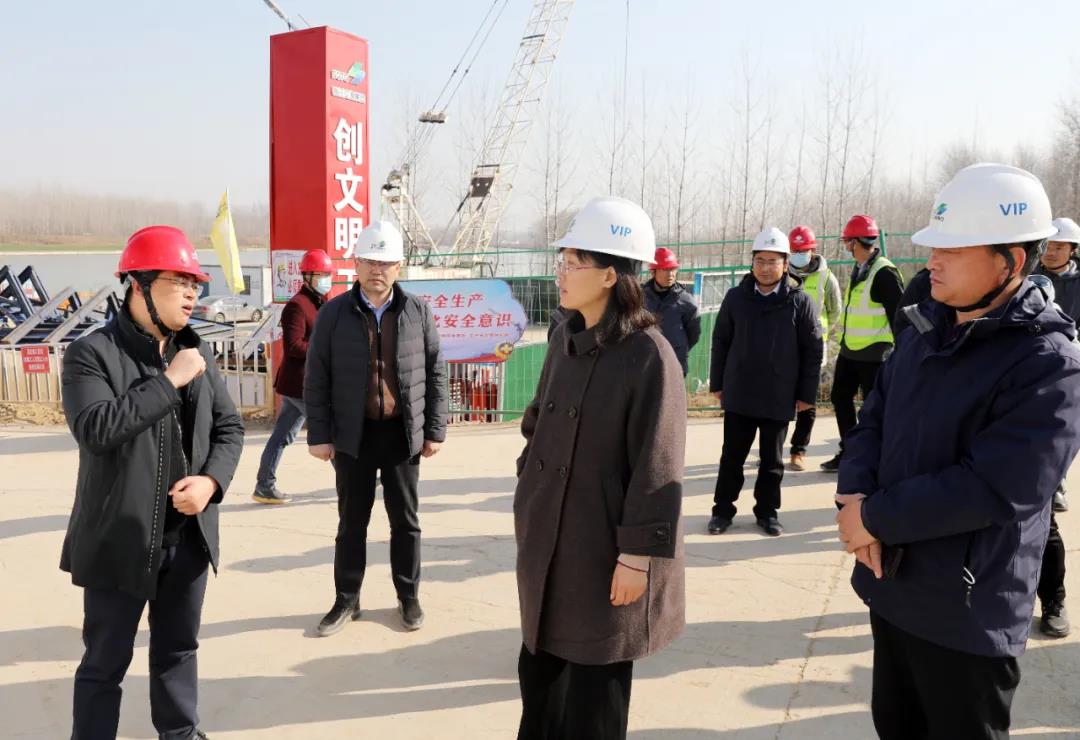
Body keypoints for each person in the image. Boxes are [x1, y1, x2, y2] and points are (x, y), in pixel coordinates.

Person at [835, 164, 1080, 739]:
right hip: (891, 586)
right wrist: (853, 495)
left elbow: (996, 486)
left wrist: (873, 518)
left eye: (952, 249)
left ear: (1009, 262)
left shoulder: (1049, 364)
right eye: (934, 248)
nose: (933, 262)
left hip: (967, 611)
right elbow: (873, 421)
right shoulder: (924, 330)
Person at [61, 225, 244, 739]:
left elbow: (229, 428)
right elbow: (96, 429)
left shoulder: (195, 351)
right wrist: (169, 381)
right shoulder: (91, 354)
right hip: (121, 537)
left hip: (187, 538)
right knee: (104, 663)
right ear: (138, 285)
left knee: (178, 650)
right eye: (178, 281)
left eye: (195, 284)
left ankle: (180, 734)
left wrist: (211, 482)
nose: (191, 293)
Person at [514, 196, 686, 740]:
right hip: (550, 538)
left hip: (604, 551)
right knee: (539, 679)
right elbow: (537, 420)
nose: (561, 272)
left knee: (593, 696)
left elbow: (658, 466)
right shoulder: (563, 337)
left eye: (573, 262)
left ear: (611, 275)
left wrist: (637, 556)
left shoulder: (649, 356)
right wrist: (529, 481)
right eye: (561, 260)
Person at [305, 220, 447, 635]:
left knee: (406, 521)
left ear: (399, 267)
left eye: (385, 263)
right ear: (355, 264)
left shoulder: (418, 311)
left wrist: (434, 429)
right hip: (354, 435)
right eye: (369, 261)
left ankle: (408, 596)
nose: (376, 270)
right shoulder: (334, 314)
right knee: (352, 523)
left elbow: (436, 371)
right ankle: (346, 599)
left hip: (402, 434)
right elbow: (316, 377)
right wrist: (319, 435)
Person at [707, 228, 823, 537]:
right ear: (752, 262)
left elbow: (813, 350)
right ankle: (722, 511)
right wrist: (718, 383)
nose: (765, 267)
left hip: (778, 393)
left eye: (773, 261)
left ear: (785, 264)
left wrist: (806, 394)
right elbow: (720, 341)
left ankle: (767, 512)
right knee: (732, 457)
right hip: (740, 391)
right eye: (760, 260)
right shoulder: (736, 298)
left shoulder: (800, 302)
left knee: (772, 461)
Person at [821, 214, 904, 472]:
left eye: (848, 241)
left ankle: (873, 458)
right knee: (840, 397)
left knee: (872, 409)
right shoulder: (860, 269)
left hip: (876, 354)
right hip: (851, 350)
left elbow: (899, 317)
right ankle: (850, 450)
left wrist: (900, 354)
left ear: (856, 242)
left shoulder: (884, 273)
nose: (846, 246)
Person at [253, 248, 333, 504]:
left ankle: (264, 485)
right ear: (307, 277)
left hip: (302, 384)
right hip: (300, 384)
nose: (326, 280)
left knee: (281, 436)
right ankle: (353, 479)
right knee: (328, 429)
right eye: (321, 275)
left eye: (327, 275)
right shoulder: (297, 306)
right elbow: (294, 346)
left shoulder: (321, 303)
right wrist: (325, 349)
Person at [1033, 216, 1080, 513]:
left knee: (1066, 425)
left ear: (1072, 250)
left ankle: (1057, 481)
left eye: (1059, 247)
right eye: (1047, 246)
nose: (1050, 253)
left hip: (1071, 360)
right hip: (1035, 358)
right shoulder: (1028, 276)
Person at [786, 225, 842, 471]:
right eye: (795, 251)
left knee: (807, 400)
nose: (800, 255)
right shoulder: (782, 274)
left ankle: (798, 451)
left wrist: (822, 335)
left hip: (813, 348)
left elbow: (835, 311)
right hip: (785, 347)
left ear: (813, 250)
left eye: (804, 250)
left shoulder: (826, 278)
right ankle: (773, 447)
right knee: (780, 399)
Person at [642, 247, 701, 376]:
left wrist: (679, 348)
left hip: (676, 365)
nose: (670, 274)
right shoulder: (640, 299)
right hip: (646, 365)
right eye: (665, 269)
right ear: (653, 272)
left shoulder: (686, 301)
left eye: (673, 269)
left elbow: (694, 333)